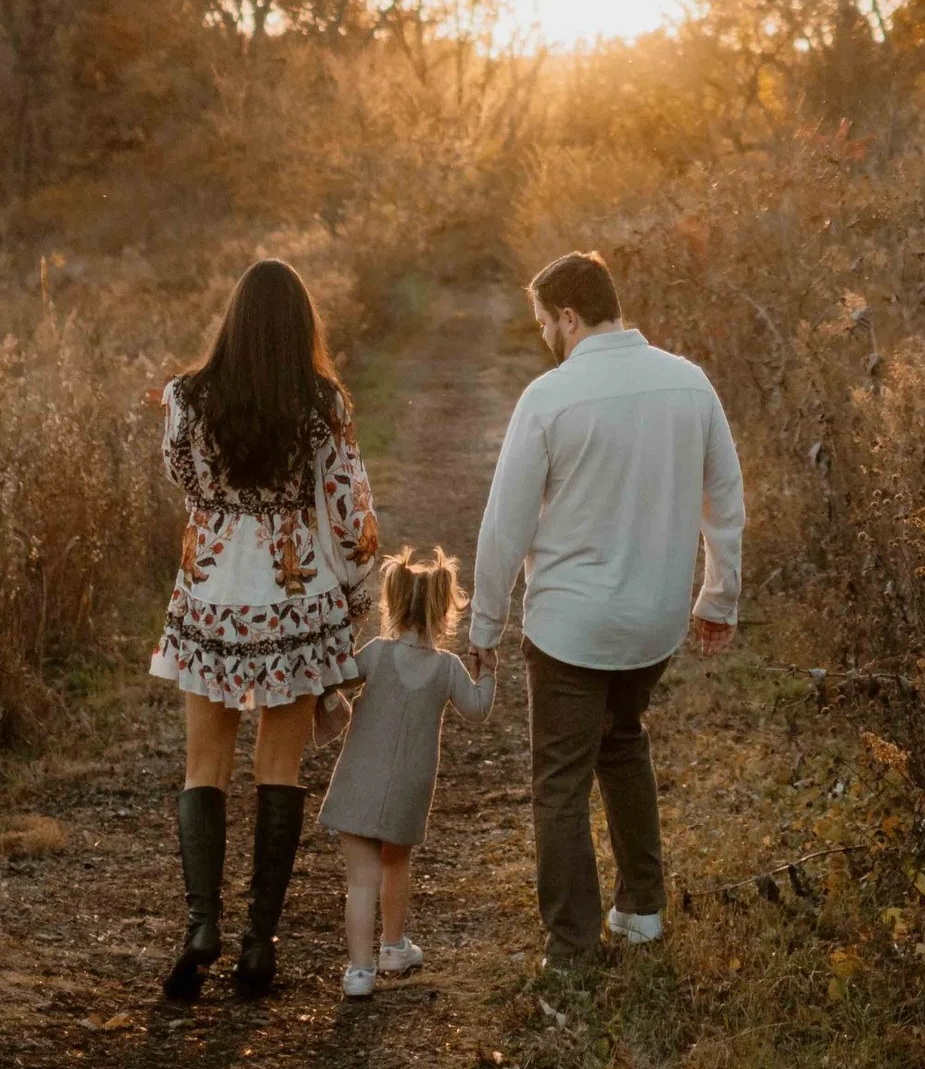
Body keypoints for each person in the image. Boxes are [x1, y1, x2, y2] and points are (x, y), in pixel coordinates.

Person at [469, 248, 745, 974]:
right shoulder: (690, 384)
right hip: (655, 622)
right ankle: (643, 910)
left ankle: (572, 948)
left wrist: (485, 624)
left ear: (568, 315)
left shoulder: (550, 397)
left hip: (571, 626)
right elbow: (726, 500)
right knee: (622, 743)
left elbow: (506, 523)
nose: (543, 339)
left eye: (543, 324)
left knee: (559, 780)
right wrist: (717, 597)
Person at [150, 254, 381, 1003]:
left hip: (211, 592)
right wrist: (356, 597)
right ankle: (259, 944)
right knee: (279, 767)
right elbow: (349, 515)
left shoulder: (185, 399)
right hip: (295, 594)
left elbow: (180, 480)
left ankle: (201, 927)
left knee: (202, 765)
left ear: (234, 320)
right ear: (300, 327)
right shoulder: (321, 404)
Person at [316, 542, 496, 991]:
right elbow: (478, 708)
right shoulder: (449, 668)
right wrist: (489, 669)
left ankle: (359, 971)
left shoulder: (376, 653)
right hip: (409, 789)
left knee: (361, 879)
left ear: (392, 602)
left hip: (360, 782)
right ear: (442, 610)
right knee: (396, 864)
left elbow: (332, 677)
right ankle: (394, 946)